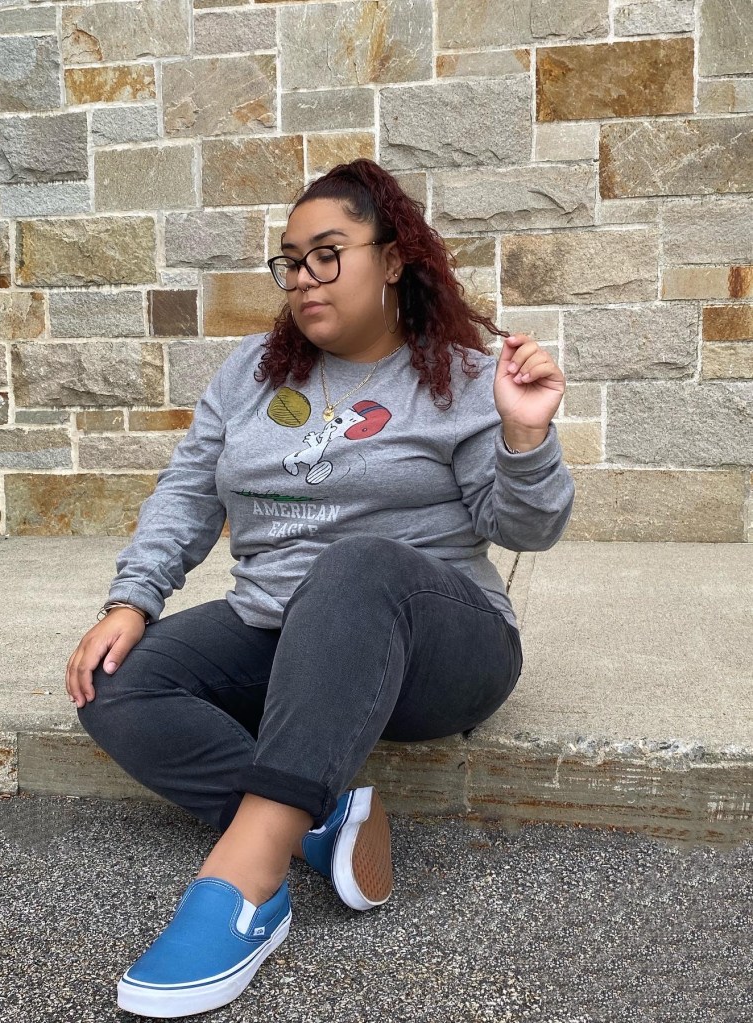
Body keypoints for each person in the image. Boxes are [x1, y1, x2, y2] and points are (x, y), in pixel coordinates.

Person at [65, 158, 574, 1019]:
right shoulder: (252, 373)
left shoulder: (460, 377)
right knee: (114, 681)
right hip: (285, 632)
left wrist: (524, 439)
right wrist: (131, 600)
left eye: (328, 254)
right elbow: (186, 491)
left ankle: (246, 883)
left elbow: (524, 528)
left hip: (437, 647)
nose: (304, 277)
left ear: (394, 259)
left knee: (356, 561)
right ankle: (323, 818)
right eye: (291, 261)